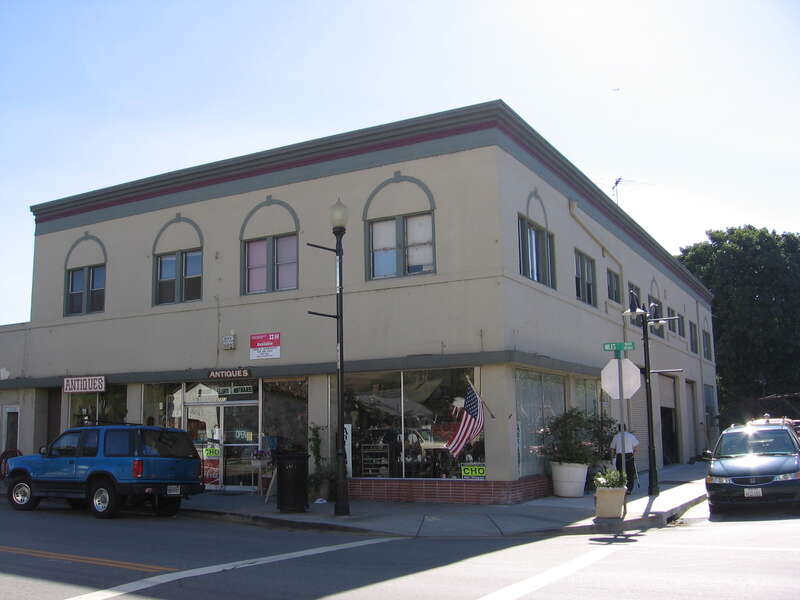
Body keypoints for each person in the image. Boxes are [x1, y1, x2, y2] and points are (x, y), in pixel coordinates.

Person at [611, 424, 639, 494]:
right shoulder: (631, 436)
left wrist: (612, 457)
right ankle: (629, 489)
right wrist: (633, 453)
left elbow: (612, 448)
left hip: (620, 456)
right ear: (626, 428)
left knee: (620, 473)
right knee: (630, 473)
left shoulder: (616, 437)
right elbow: (637, 447)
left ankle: (622, 488)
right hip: (629, 455)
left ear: (619, 429)